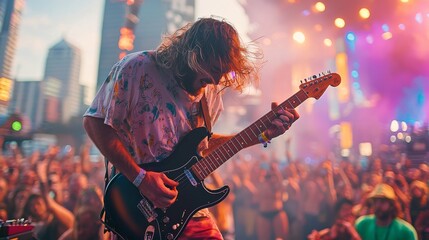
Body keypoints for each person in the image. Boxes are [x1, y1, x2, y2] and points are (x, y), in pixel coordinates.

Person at [83, 17, 299, 239]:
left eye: (223, 72)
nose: (216, 80)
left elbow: (201, 148)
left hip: (186, 210)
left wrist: (261, 134)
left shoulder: (211, 96)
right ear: (193, 54)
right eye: (214, 68)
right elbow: (94, 122)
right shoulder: (137, 68)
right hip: (136, 205)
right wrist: (140, 178)